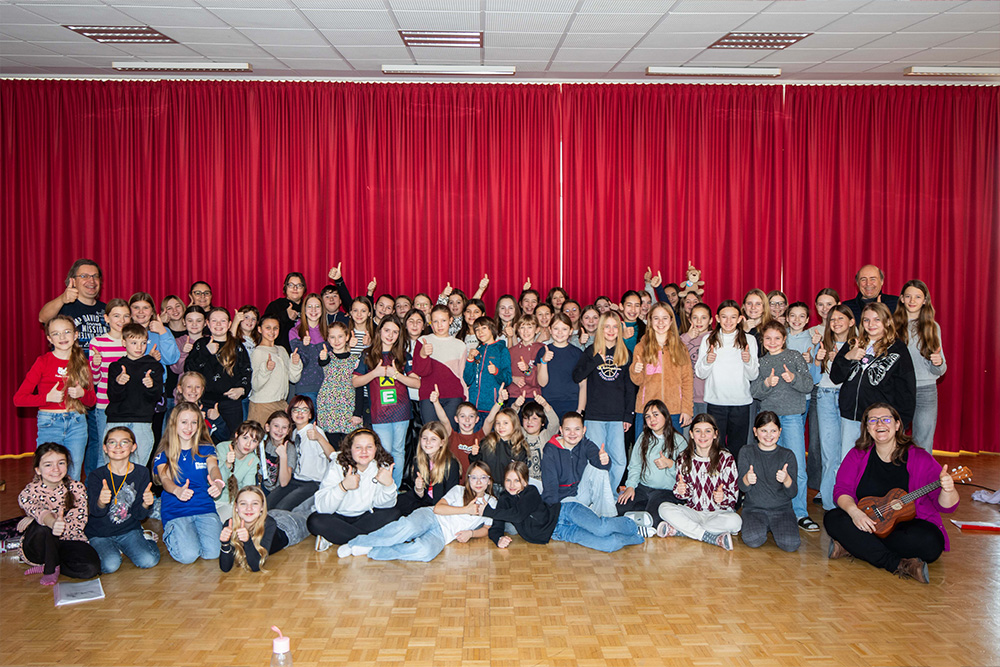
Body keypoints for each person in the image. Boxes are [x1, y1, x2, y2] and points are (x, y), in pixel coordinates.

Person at [823, 403, 959, 584]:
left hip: (904, 529)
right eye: (873, 420)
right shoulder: (858, 455)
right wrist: (855, 513)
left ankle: (854, 546)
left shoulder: (920, 458)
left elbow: (947, 506)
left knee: (931, 543)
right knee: (833, 519)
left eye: (886, 419)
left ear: (897, 425)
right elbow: (841, 491)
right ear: (867, 428)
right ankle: (897, 564)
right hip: (867, 522)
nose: (880, 424)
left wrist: (948, 489)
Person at [336, 461, 496, 561]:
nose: (478, 482)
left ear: (489, 480)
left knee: (424, 553)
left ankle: (373, 551)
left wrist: (471, 533)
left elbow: (487, 528)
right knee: (408, 528)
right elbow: (439, 509)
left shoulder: (492, 502)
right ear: (468, 479)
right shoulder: (459, 490)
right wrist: (465, 509)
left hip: (444, 535)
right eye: (474, 477)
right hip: (431, 516)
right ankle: (355, 543)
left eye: (483, 477)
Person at [487, 461, 647, 552]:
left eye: (517, 480)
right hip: (561, 532)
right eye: (508, 480)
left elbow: (519, 514)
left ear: (525, 481)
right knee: (608, 545)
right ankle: (637, 535)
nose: (512, 485)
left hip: (565, 512)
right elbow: (496, 526)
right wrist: (498, 538)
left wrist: (488, 511)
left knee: (601, 529)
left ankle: (630, 523)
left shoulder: (531, 491)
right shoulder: (503, 501)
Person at [750, 321, 817, 532]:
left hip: (791, 418)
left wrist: (793, 378)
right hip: (769, 419)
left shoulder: (795, 357)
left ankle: (800, 512)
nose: (772, 342)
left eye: (777, 338)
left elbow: (808, 385)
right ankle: (771, 508)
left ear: (784, 338)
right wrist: (767, 384)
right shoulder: (761, 362)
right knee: (768, 465)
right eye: (768, 338)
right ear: (763, 340)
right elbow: (754, 391)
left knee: (797, 464)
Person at [14, 315, 96, 481]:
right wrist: (46, 398)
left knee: (72, 474)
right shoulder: (42, 362)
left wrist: (82, 394)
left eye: (67, 332)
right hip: (49, 423)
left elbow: (92, 401)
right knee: (49, 473)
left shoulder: (82, 363)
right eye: (56, 334)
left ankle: (70, 506)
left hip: (77, 423)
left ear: (75, 335)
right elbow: (19, 399)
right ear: (49, 338)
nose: (62, 337)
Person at [830, 302, 916, 458]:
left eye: (877, 319)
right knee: (849, 460)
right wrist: (848, 357)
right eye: (866, 320)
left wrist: (901, 421)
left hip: (879, 420)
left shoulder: (897, 349)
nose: (871, 324)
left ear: (887, 322)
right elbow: (835, 377)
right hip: (851, 416)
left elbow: (906, 389)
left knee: (877, 463)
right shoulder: (853, 343)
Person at [17, 443, 101, 585]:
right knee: (42, 528)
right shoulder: (28, 492)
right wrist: (51, 522)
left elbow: (78, 525)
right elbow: (39, 510)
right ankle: (50, 568)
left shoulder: (77, 488)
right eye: (48, 465)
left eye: (61, 463)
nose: (56, 469)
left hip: (68, 540)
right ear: (38, 470)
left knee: (91, 568)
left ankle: (55, 564)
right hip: (39, 548)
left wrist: (58, 527)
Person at [153, 401, 225, 563]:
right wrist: (177, 490)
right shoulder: (164, 453)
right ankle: (175, 534)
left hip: (204, 508)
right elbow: (164, 480)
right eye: (184, 422)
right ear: (174, 424)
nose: (189, 427)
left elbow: (213, 468)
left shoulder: (206, 449)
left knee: (213, 552)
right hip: (176, 511)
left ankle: (191, 535)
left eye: (194, 422)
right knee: (188, 556)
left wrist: (218, 482)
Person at [656, 414, 741, 551]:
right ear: (691, 434)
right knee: (664, 508)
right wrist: (682, 490)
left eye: (708, 431)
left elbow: (733, 497)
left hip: (718, 514)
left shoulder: (726, 458)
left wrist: (723, 497)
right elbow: (683, 496)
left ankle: (682, 531)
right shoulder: (684, 458)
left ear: (715, 434)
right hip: (693, 512)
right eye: (697, 431)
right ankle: (709, 536)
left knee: (736, 521)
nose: (702, 435)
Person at [353, 315, 420, 488]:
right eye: (387, 330)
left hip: (401, 411)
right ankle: (381, 489)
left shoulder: (403, 355)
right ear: (380, 331)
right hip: (379, 413)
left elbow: (417, 383)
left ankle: (394, 490)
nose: (390, 335)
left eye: (395, 332)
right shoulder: (367, 354)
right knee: (383, 452)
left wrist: (396, 374)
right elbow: (355, 381)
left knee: (398, 451)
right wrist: (374, 373)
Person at [308, 429, 401, 549]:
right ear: (350, 449)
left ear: (376, 448)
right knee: (314, 521)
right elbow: (323, 507)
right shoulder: (337, 465)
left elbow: (383, 504)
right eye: (358, 447)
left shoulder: (381, 466)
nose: (364, 452)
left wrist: (389, 485)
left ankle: (341, 538)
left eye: (369, 447)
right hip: (337, 517)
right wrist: (343, 486)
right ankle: (366, 542)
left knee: (394, 513)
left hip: (364, 517)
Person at [573, 312, 635, 491]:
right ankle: (595, 495)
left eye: (615, 326)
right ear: (601, 329)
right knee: (595, 458)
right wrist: (595, 361)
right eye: (607, 326)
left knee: (619, 460)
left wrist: (628, 416)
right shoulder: (591, 351)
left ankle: (610, 495)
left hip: (617, 416)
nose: (611, 330)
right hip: (594, 416)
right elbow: (577, 376)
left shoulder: (625, 353)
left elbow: (630, 388)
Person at [85, 427, 160, 573]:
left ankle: (146, 538)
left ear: (133, 447)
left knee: (148, 560)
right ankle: (111, 549)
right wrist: (101, 501)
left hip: (128, 530)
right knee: (110, 565)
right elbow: (95, 512)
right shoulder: (96, 475)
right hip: (100, 533)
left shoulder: (142, 472)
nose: (118, 447)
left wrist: (146, 503)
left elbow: (139, 515)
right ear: (105, 448)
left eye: (124, 442)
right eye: (112, 442)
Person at [695, 300, 759, 459]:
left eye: (733, 317)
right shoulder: (708, 339)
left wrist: (747, 360)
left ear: (740, 319)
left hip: (741, 402)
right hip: (716, 402)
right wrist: (707, 361)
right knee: (715, 447)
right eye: (724, 317)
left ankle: (735, 482)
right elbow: (700, 373)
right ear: (717, 318)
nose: (728, 321)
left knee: (738, 447)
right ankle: (716, 481)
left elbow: (753, 375)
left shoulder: (749, 340)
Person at [893, 280, 947, 453]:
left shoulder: (932, 327)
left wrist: (937, 362)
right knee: (893, 440)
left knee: (923, 441)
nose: (912, 300)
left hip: (925, 389)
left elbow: (939, 370)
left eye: (917, 296)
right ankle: (895, 479)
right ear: (901, 299)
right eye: (908, 296)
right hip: (898, 389)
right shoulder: (891, 326)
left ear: (925, 301)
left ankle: (922, 480)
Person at [812, 305, 857, 512]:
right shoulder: (822, 343)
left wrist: (841, 360)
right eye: (832, 320)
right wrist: (818, 360)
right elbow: (814, 378)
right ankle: (830, 504)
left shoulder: (859, 345)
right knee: (829, 454)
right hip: (826, 396)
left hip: (850, 399)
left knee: (849, 453)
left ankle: (848, 500)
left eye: (841, 318)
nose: (836, 323)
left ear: (851, 321)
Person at [737, 412, 800, 552]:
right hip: (754, 509)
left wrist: (787, 479)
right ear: (755, 431)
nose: (768, 435)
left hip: (782, 510)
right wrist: (747, 479)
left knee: (791, 544)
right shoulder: (746, 451)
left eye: (773, 431)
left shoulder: (787, 455)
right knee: (753, 540)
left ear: (780, 432)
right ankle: (764, 527)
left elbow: (793, 492)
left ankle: (775, 526)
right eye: (763, 431)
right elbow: (742, 487)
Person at [184, 307, 252, 435]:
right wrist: (205, 352)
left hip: (231, 404)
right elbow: (188, 370)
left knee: (231, 440)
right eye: (214, 321)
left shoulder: (237, 345)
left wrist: (242, 389)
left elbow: (246, 371)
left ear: (229, 324)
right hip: (205, 402)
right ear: (208, 324)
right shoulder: (201, 344)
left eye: (223, 321)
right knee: (203, 441)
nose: (219, 325)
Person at [105, 323, 163, 467]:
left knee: (138, 467)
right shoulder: (116, 366)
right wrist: (119, 383)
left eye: (143, 343)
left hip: (142, 422)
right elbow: (112, 396)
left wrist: (151, 386)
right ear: (124, 343)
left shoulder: (154, 366)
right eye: (134, 342)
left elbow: (156, 397)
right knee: (114, 466)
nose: (139, 347)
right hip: (116, 421)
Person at [616, 400, 686, 517]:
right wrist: (630, 487)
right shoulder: (643, 438)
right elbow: (635, 465)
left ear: (665, 416)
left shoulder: (679, 441)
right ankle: (639, 518)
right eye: (648, 416)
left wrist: (670, 464)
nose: (652, 419)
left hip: (666, 491)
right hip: (643, 488)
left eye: (656, 414)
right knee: (620, 509)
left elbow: (685, 473)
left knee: (653, 515)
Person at [630, 303, 693, 433]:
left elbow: (687, 380)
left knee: (673, 451)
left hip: (674, 410)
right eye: (656, 318)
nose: (660, 322)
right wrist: (635, 370)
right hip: (647, 411)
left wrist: (687, 409)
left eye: (665, 318)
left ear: (671, 320)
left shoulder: (681, 348)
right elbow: (638, 381)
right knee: (645, 451)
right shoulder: (641, 347)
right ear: (650, 321)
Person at [265, 395, 334, 511]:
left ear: (310, 415)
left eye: (305, 410)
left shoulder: (314, 431)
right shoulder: (293, 432)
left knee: (282, 508)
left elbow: (332, 456)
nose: (300, 413)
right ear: (290, 413)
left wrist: (319, 438)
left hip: (313, 481)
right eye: (296, 409)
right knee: (268, 504)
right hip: (296, 479)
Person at [219, 486, 309, 573]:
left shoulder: (269, 524)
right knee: (304, 508)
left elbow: (256, 566)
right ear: (236, 507)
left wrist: (247, 541)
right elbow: (225, 568)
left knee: (310, 513)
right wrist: (225, 543)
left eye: (254, 503)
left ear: (262, 507)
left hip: (289, 526)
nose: (249, 508)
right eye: (243, 503)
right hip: (270, 515)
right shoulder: (230, 525)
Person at [411, 305, 467, 427]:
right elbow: (420, 371)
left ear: (450, 321)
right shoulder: (423, 341)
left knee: (450, 435)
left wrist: (465, 397)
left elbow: (462, 375)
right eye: (435, 321)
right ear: (431, 323)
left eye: (443, 321)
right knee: (431, 433)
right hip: (428, 396)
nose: (439, 325)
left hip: (453, 396)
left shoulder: (460, 345)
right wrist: (423, 354)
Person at [37, 259, 106, 352]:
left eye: (95, 276)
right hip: (71, 365)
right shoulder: (62, 306)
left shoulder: (108, 309)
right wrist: (62, 299)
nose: (92, 281)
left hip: (102, 365)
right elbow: (42, 318)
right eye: (84, 276)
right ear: (73, 281)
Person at [395, 421, 461, 516]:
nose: (428, 442)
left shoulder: (451, 464)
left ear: (442, 442)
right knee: (394, 504)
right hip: (423, 500)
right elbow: (420, 496)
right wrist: (419, 489)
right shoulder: (419, 461)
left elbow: (451, 497)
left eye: (433, 439)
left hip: (440, 507)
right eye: (424, 438)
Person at [248, 315, 303, 425]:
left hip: (281, 404)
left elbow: (293, 378)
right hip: (262, 406)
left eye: (275, 328)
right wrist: (266, 369)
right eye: (268, 328)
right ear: (259, 329)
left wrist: (295, 364)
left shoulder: (282, 350)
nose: (272, 332)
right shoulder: (258, 352)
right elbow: (255, 385)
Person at [463, 317, 512, 428]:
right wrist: (470, 360)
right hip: (474, 406)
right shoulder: (477, 351)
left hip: (492, 405)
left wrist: (496, 372)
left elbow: (508, 379)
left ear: (492, 329)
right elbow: (467, 379)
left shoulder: (501, 349)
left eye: (484, 328)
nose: (480, 332)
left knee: (491, 441)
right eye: (477, 330)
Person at [537, 314, 586, 419]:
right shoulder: (543, 351)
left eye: (564, 329)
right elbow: (542, 382)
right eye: (556, 328)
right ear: (550, 330)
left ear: (570, 331)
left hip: (571, 402)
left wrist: (580, 409)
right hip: (548, 403)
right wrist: (544, 362)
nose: (560, 332)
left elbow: (583, 385)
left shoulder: (577, 353)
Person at [214, 421, 265, 521]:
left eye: (254, 441)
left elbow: (246, 490)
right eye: (245, 438)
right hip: (213, 499)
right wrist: (227, 464)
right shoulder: (222, 448)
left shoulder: (253, 460)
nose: (248, 444)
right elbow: (217, 481)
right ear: (237, 436)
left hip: (232, 503)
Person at [262, 272, 307, 352]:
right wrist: (285, 315)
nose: (295, 289)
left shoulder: (308, 307)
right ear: (285, 287)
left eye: (299, 285)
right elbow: (265, 329)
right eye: (291, 285)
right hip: (280, 354)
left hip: (305, 355)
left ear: (304, 288)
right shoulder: (275, 305)